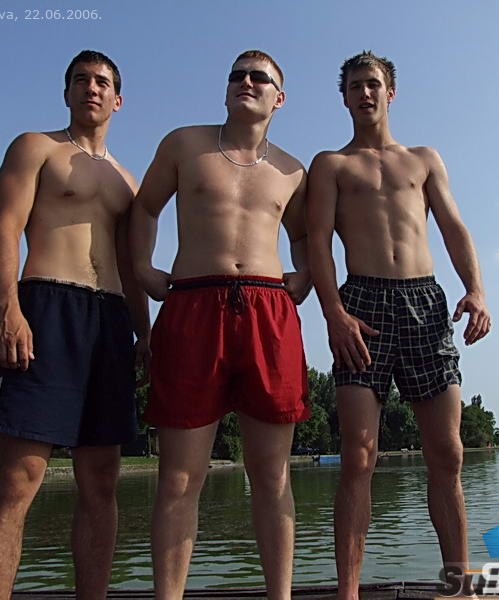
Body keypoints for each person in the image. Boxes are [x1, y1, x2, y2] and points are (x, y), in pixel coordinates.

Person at [307, 51, 492, 599]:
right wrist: (334, 313)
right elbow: (317, 242)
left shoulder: (423, 159)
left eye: (373, 84)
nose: (365, 93)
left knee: (448, 452)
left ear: (390, 92)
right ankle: (348, 591)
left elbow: (454, 226)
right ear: (343, 97)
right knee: (358, 455)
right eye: (355, 86)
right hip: (362, 305)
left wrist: (476, 289)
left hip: (425, 302)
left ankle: (458, 583)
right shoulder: (331, 165)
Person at [129, 50, 311, 600]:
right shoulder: (184, 144)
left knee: (272, 475)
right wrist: (142, 267)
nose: (246, 82)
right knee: (180, 477)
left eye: (260, 77)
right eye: (237, 75)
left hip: (267, 310)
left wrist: (302, 277)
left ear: (279, 97)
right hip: (193, 304)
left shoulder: (292, 170)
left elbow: (304, 236)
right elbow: (145, 208)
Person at [0, 50, 149, 600]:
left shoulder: (127, 180)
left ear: (118, 100)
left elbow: (130, 267)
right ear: (67, 92)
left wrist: (144, 334)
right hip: (46, 307)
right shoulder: (36, 147)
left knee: (101, 481)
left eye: (102, 82)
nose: (92, 88)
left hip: (109, 320)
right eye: (81, 80)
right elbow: (5, 229)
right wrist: (8, 308)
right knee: (17, 479)